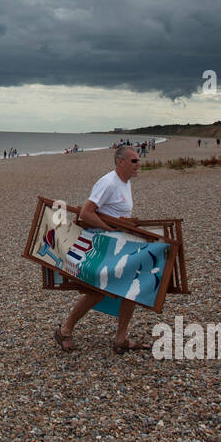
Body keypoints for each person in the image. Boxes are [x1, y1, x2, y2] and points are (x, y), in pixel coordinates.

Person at [54, 145, 146, 355]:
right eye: (134, 161)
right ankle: (65, 330)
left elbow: (115, 212)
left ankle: (120, 338)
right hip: (102, 245)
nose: (138, 164)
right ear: (120, 162)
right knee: (97, 292)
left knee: (131, 288)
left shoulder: (125, 182)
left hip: (119, 244)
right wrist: (109, 228)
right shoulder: (108, 182)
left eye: (138, 160)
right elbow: (86, 213)